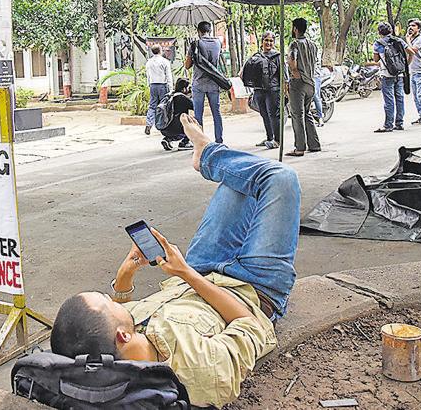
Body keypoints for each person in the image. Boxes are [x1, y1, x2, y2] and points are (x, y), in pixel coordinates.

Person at [50, 114, 298, 408]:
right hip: (254, 288)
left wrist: (125, 274)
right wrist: (187, 274)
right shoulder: (198, 370)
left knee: (238, 182)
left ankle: (210, 154)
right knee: (279, 178)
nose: (113, 298)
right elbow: (251, 324)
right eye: (109, 302)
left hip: (201, 268)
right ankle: (207, 153)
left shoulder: (119, 344)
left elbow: (125, 309)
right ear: (122, 335)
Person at [285, 18, 321, 156]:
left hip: (298, 84)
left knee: (297, 115)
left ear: (295, 29)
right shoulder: (312, 44)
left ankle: (299, 148)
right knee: (307, 114)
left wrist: (294, 73)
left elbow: (292, 62)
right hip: (311, 83)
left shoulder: (294, 44)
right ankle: (314, 144)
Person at [185, 21, 224, 143]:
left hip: (199, 83)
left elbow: (187, 65)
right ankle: (219, 140)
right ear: (210, 30)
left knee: (198, 114)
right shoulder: (218, 43)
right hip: (214, 83)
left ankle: (199, 142)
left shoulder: (195, 44)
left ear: (199, 31)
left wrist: (191, 50)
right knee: (216, 113)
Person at [250, 31, 282, 149]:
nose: (268, 43)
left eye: (271, 41)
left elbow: (283, 74)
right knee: (264, 114)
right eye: (266, 40)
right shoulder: (256, 56)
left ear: (273, 43)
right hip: (259, 90)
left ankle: (277, 140)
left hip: (273, 90)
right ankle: (269, 138)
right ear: (262, 41)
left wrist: (284, 89)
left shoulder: (277, 56)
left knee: (274, 115)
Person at [373, 22, 406, 133]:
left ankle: (388, 125)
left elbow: (376, 60)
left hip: (387, 74)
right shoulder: (398, 41)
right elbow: (410, 52)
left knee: (389, 100)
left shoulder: (378, 44)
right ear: (391, 31)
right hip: (399, 73)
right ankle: (399, 123)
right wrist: (405, 66)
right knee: (400, 98)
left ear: (379, 32)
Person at [145, 44, 174, 135]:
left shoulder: (149, 62)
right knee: (164, 106)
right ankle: (163, 125)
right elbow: (168, 75)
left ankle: (149, 124)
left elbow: (148, 75)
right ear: (160, 51)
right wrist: (171, 88)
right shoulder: (165, 61)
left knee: (152, 105)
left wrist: (149, 84)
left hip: (153, 85)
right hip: (162, 85)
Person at [159, 78, 194, 151]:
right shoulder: (183, 98)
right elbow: (195, 107)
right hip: (176, 129)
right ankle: (184, 143)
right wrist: (191, 96)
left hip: (164, 128)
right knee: (191, 122)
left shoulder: (169, 95)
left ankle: (167, 139)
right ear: (184, 88)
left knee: (175, 121)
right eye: (188, 87)